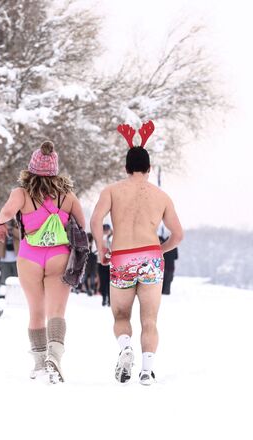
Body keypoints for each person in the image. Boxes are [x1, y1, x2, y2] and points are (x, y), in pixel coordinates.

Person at [91, 121, 183, 385]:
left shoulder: (111, 191)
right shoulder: (161, 196)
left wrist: (102, 248)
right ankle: (146, 370)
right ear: (149, 168)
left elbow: (96, 221)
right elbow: (178, 235)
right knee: (150, 319)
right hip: (151, 259)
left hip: (122, 258)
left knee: (121, 316)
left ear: (126, 168)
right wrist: (160, 251)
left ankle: (125, 347)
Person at [0, 141, 86, 383]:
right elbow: (82, 225)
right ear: (55, 170)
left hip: (30, 255)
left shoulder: (21, 194)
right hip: (59, 254)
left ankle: (38, 363)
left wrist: (1, 225)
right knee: (57, 311)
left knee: (36, 311)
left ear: (31, 168)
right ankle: (54, 356)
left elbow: (5, 213)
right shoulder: (67, 196)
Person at [0, 220, 20, 285]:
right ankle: (5, 293)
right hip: (4, 258)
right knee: (5, 280)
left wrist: (12, 229)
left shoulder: (17, 225)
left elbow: (21, 236)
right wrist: (3, 230)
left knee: (18, 279)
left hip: (16, 258)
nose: (8, 222)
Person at [96, 224, 112, 306]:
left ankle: (109, 300)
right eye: (104, 230)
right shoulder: (99, 239)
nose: (106, 232)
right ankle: (104, 298)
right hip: (101, 262)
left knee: (110, 283)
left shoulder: (112, 239)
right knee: (103, 282)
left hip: (110, 264)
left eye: (107, 230)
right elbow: (94, 250)